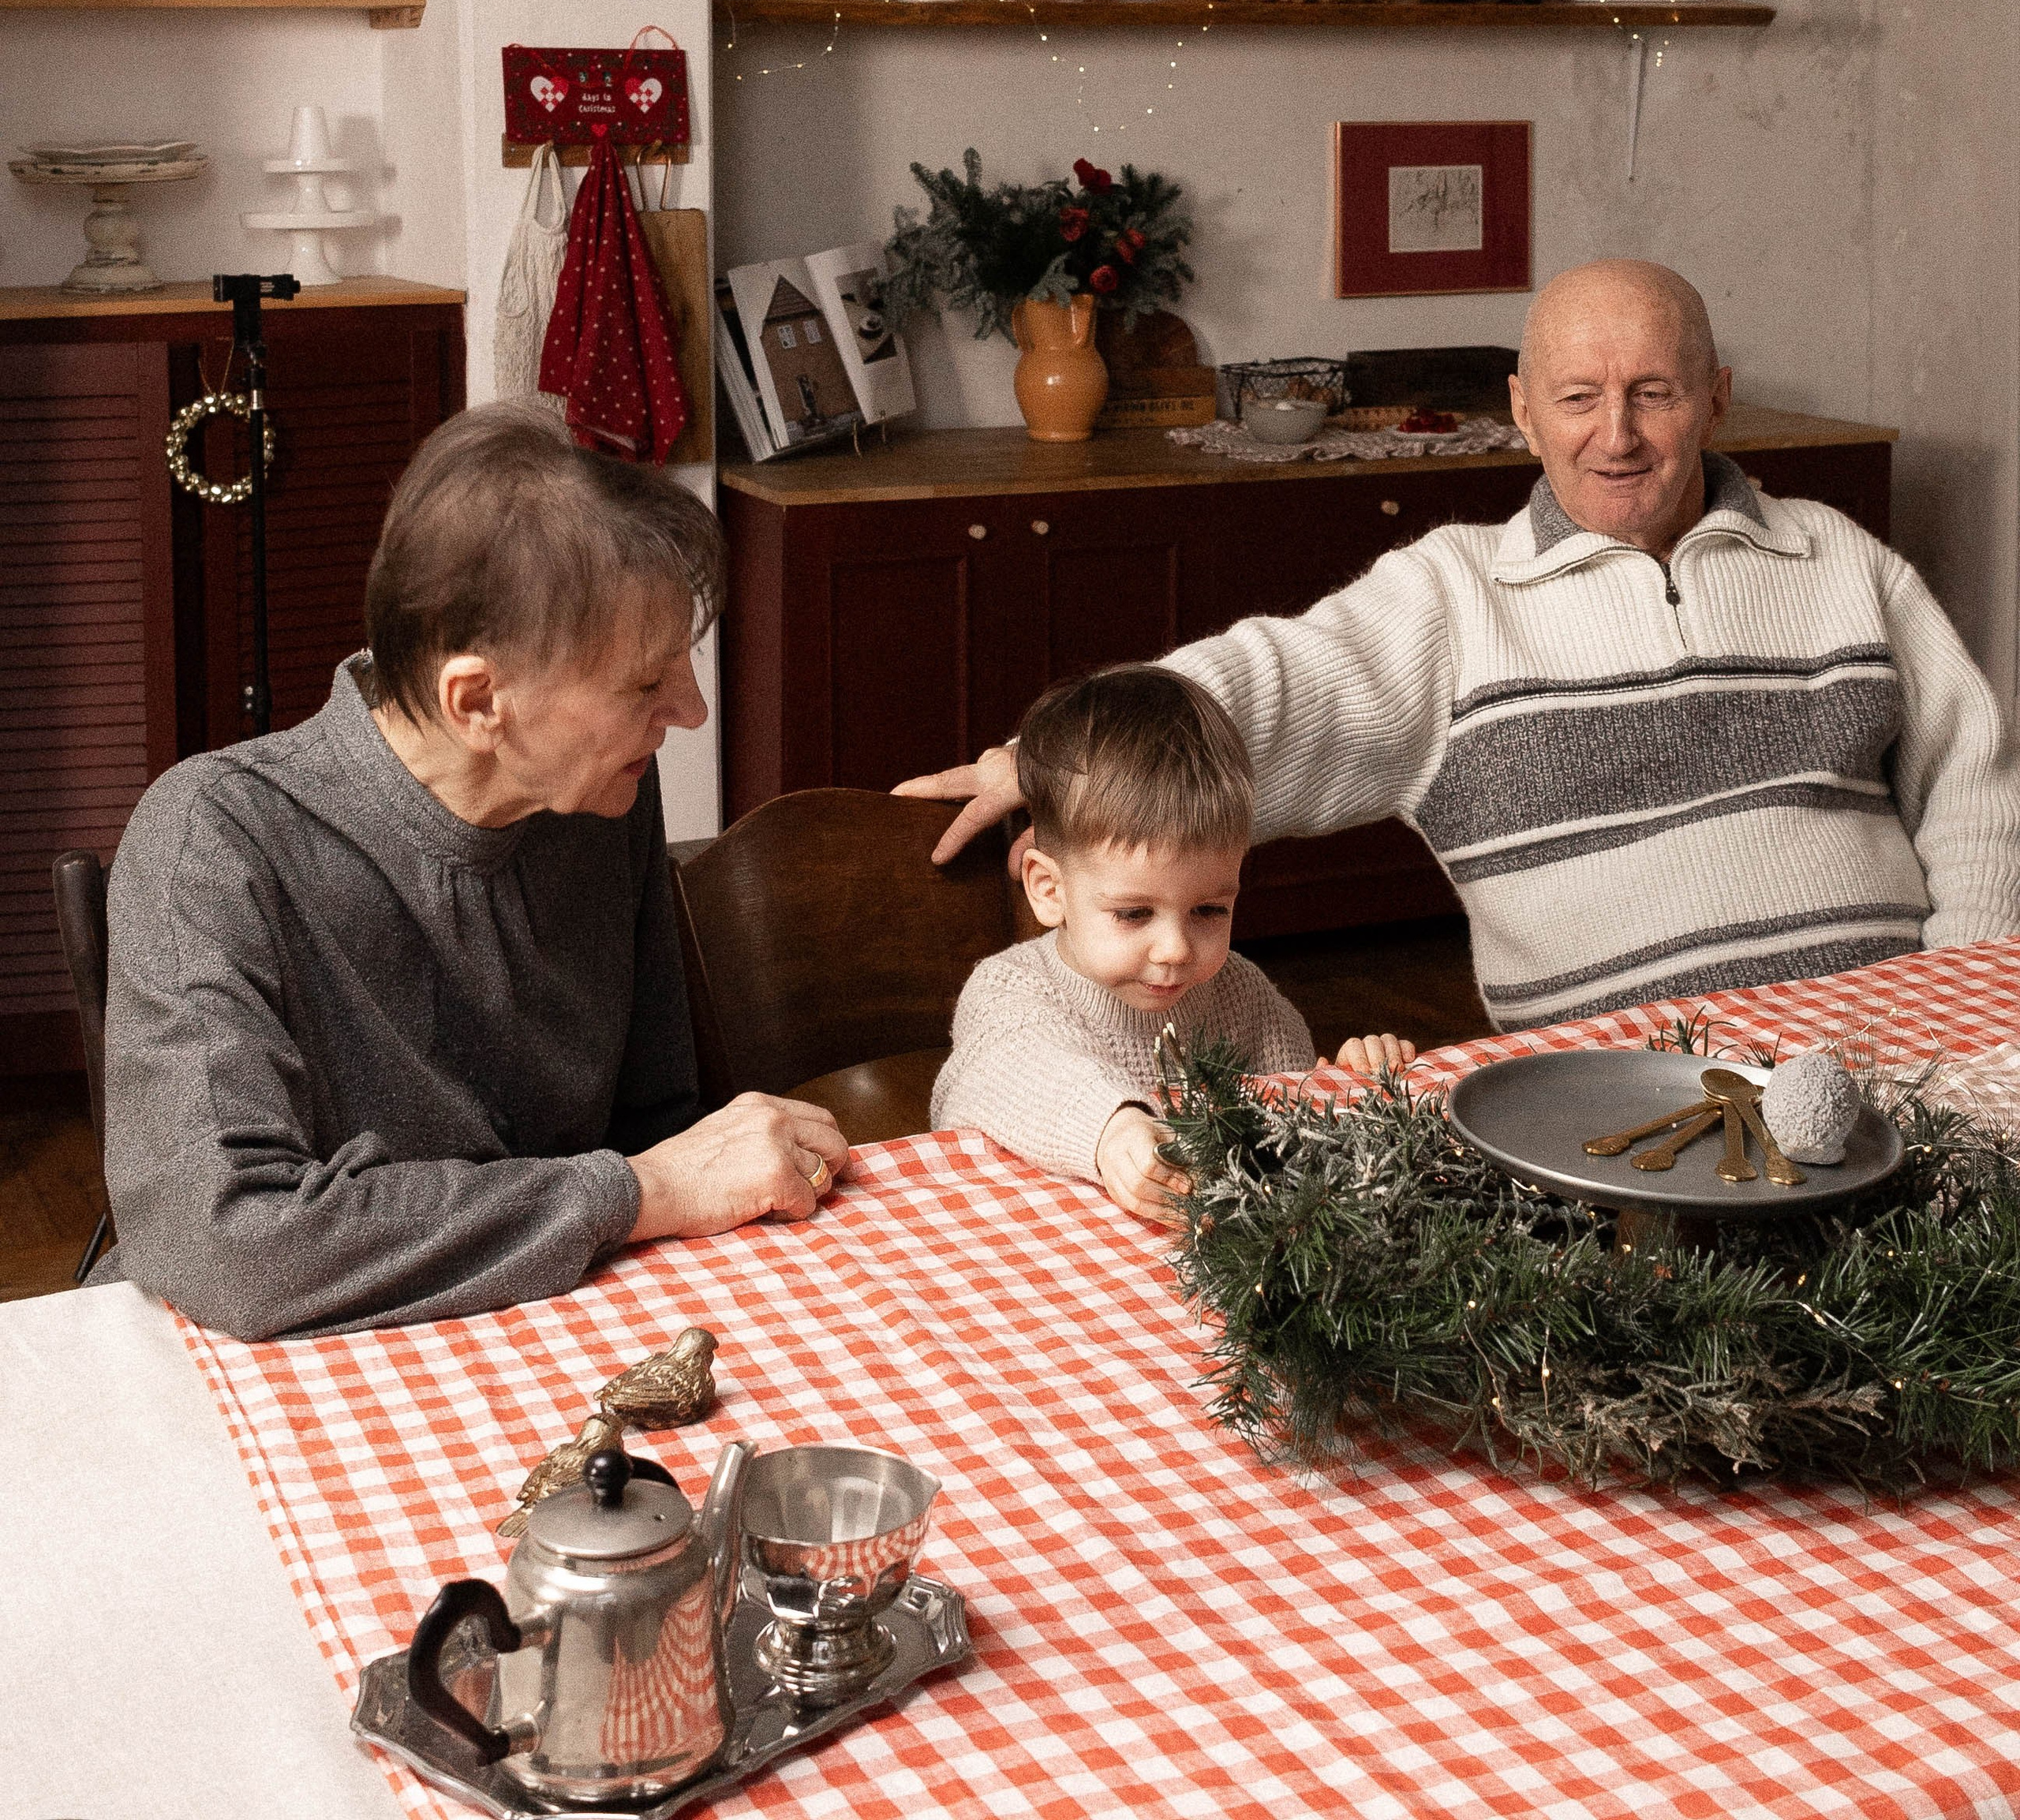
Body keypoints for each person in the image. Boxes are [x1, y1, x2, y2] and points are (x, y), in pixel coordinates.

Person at [908, 259, 2020, 1029]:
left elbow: (1975, 794)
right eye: (1578, 397)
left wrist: (1961, 1017)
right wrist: (1052, 752)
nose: (1617, 435)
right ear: (1523, 412)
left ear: (1717, 400)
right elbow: (1272, 684)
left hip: (1899, 1061)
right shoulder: (1454, 597)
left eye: (1655, 395)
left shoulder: (1838, 559)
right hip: (1614, 1111)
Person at [99, 403, 848, 1341]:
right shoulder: (214, 839)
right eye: (644, 684)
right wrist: (637, 1190)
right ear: (478, 699)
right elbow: (236, 1249)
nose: (689, 711)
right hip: (235, 1368)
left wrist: (664, 1181)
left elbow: (659, 1124)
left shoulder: (595, 800)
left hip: (514, 1328)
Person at [931, 665, 1413, 1224]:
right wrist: (1111, 1132)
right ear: (1049, 890)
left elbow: (1291, 1131)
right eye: (1134, 913)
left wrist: (1344, 1085)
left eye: (1208, 909)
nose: (1176, 949)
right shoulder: (1009, 989)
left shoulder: (1242, 995)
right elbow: (993, 1078)